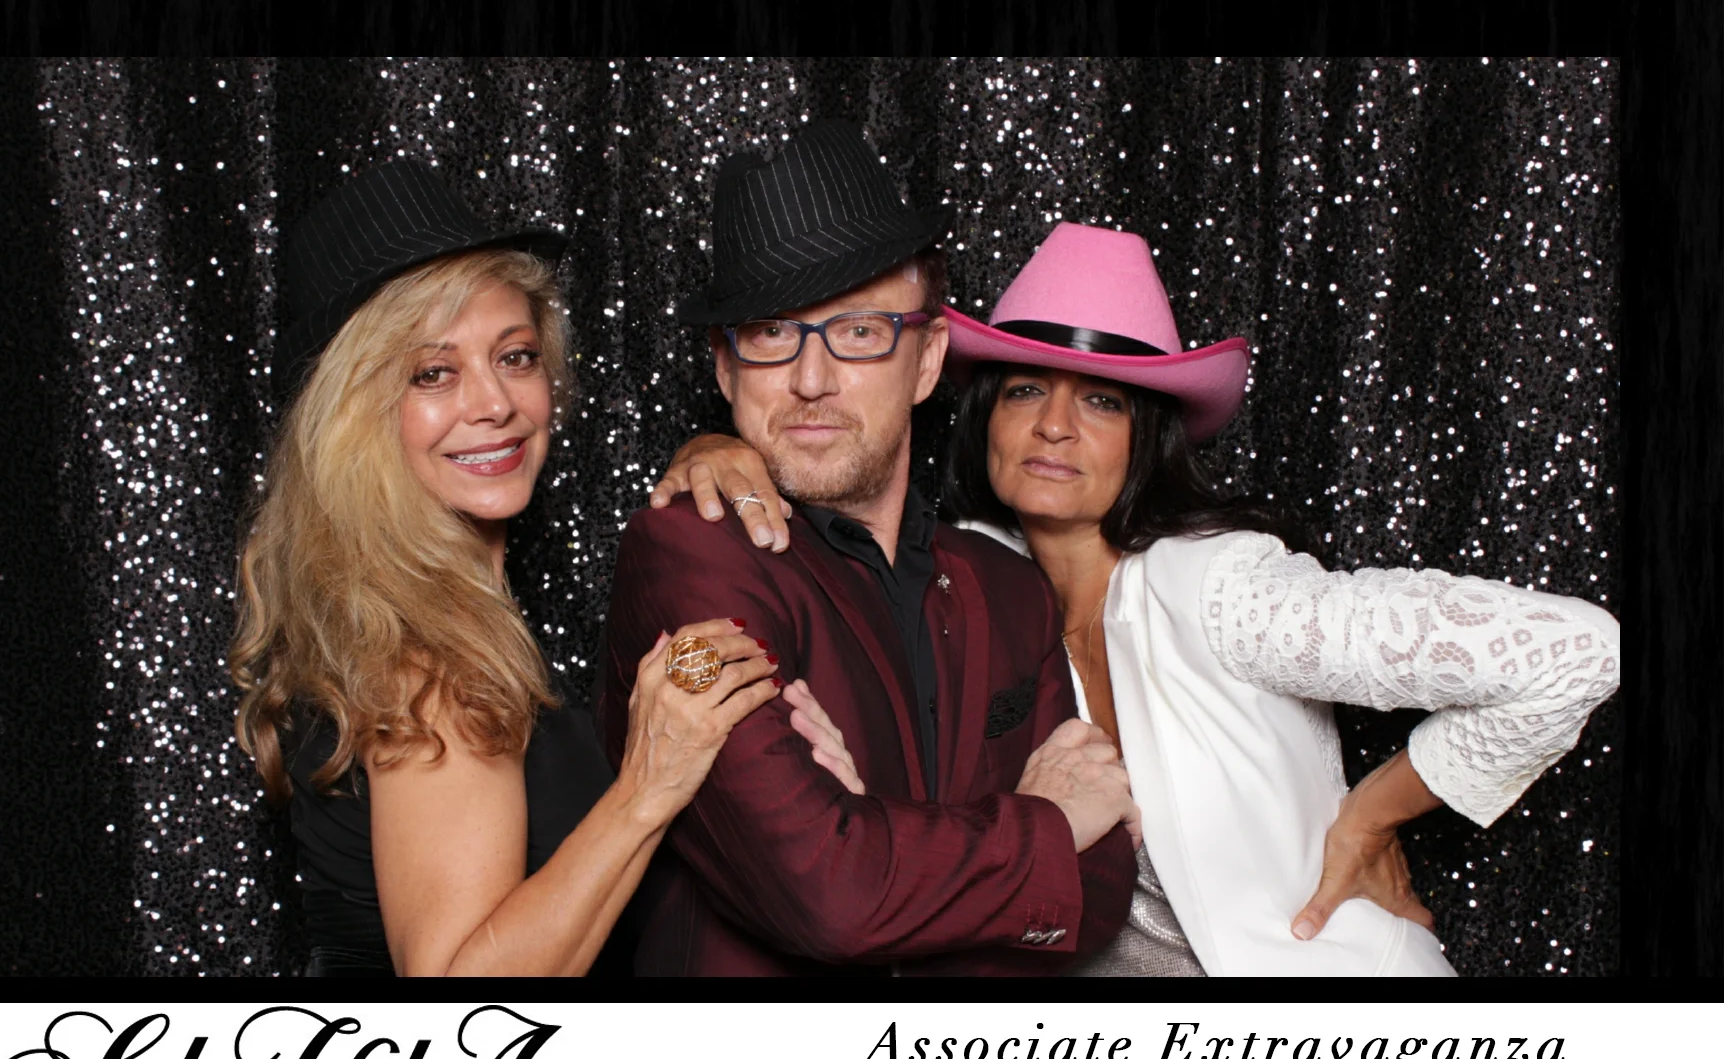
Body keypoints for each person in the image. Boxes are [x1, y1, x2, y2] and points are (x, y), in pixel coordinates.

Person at [661, 221, 1622, 976]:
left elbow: (1578, 650)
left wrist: (1376, 812)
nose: (1055, 427)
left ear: (1145, 435)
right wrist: (722, 451)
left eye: (1102, 400)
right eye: (1025, 389)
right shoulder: (967, 577)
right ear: (984, 414)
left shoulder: (1223, 585)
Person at [229, 162, 849, 977]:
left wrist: (709, 452)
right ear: (350, 414)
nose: (496, 403)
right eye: (433, 373)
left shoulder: (428, 610)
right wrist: (650, 785)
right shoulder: (429, 662)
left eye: (515, 357)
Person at [600, 122, 1141, 977]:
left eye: (858, 332)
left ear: (927, 361)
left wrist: (875, 833)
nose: (811, 380)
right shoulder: (689, 556)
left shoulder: (1010, 586)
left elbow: (1100, 893)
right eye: (772, 333)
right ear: (726, 369)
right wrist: (1045, 823)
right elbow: (827, 895)